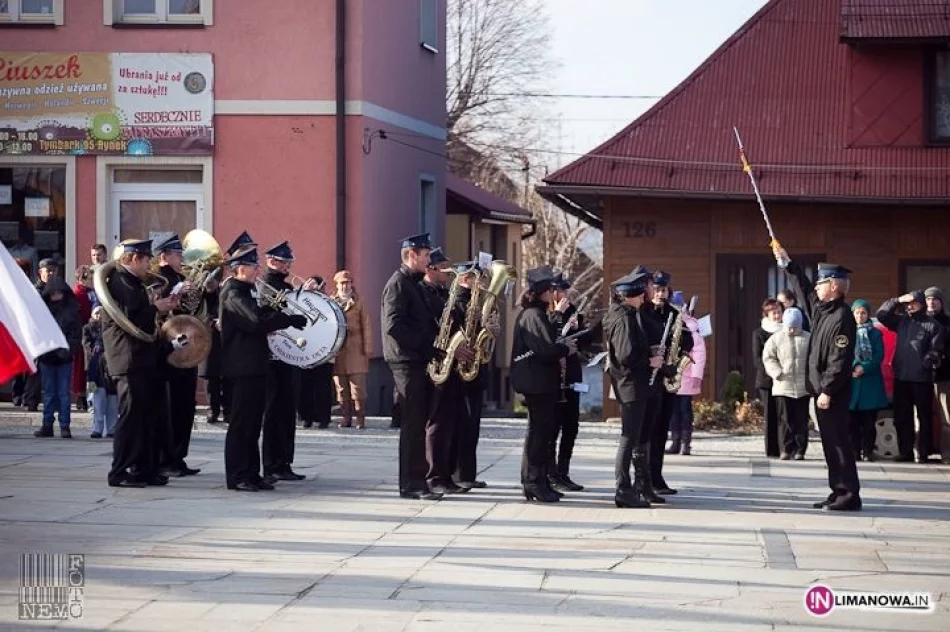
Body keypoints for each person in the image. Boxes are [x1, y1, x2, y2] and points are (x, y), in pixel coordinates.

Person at [775, 246, 861, 511]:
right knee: (829, 444)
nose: (817, 287)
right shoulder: (822, 310)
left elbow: (840, 357)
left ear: (834, 286)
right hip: (821, 389)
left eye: (822, 283)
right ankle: (837, 491)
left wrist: (827, 390)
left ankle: (848, 494)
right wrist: (788, 264)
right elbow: (802, 289)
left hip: (831, 391)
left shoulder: (842, 316)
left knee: (838, 443)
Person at [220, 244, 306, 492]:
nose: (258, 269)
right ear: (240, 269)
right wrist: (287, 319)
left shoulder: (246, 292)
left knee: (252, 423)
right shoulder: (234, 293)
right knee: (241, 424)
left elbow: (259, 314)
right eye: (253, 266)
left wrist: (279, 313)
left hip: (254, 365)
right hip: (241, 367)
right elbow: (255, 321)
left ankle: (252, 473)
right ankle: (237, 475)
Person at [102, 239, 184, 488]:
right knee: (131, 417)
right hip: (128, 359)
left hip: (143, 359)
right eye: (147, 259)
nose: (151, 264)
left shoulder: (133, 283)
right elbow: (130, 317)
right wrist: (155, 306)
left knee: (148, 417)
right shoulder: (120, 282)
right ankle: (120, 471)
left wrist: (161, 308)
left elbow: (143, 317)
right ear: (135, 258)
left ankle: (143, 468)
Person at [381, 233, 444, 500]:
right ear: (411, 255)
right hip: (406, 361)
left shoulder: (413, 284)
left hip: (417, 359)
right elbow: (394, 326)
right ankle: (411, 483)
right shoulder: (398, 284)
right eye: (426, 255)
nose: (429, 260)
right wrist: (428, 346)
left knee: (418, 423)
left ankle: (418, 479)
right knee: (412, 425)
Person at [510, 265, 577, 503]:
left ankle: (540, 480)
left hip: (541, 380)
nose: (555, 294)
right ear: (544, 292)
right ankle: (532, 481)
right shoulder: (533, 315)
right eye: (552, 290)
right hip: (536, 382)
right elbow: (547, 348)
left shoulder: (537, 314)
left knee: (543, 432)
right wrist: (565, 347)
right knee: (538, 434)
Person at [603, 268, 660, 508]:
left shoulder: (618, 314)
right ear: (630, 296)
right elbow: (626, 355)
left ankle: (628, 488)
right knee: (628, 439)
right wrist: (650, 360)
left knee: (631, 437)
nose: (642, 299)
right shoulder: (625, 317)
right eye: (639, 295)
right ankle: (623, 489)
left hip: (629, 384)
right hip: (631, 384)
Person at [261, 241, 315, 481]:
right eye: (284, 263)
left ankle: (284, 462)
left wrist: (304, 293)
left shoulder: (283, 286)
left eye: (289, 263)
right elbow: (274, 313)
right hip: (272, 357)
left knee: (286, 410)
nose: (288, 267)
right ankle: (272, 463)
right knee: (274, 411)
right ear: (271, 261)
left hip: (288, 354)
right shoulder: (265, 286)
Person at [641, 270, 693, 497]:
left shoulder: (675, 314)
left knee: (662, 429)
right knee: (648, 431)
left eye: (664, 290)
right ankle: (644, 478)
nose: (661, 294)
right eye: (657, 290)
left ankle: (657, 476)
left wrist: (678, 360)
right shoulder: (642, 313)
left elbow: (688, 341)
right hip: (649, 378)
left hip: (668, 379)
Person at [876, 290, 945, 463]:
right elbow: (881, 315)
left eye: (913, 303)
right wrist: (897, 299)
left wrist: (928, 360)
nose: (910, 306)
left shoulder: (933, 325)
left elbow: (936, 349)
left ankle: (923, 453)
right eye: (908, 304)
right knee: (902, 417)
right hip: (902, 377)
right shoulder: (902, 321)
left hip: (922, 379)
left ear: (921, 304)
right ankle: (905, 452)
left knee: (924, 417)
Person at [153, 233, 201, 477]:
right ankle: (166, 458)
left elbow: (194, 311)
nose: (182, 258)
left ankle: (179, 456)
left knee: (185, 405)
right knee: (170, 406)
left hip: (186, 348)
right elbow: (154, 312)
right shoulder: (156, 280)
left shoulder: (182, 278)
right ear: (164, 256)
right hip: (168, 351)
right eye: (177, 254)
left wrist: (203, 292)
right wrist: (174, 292)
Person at [546, 272, 595, 492]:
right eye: (560, 290)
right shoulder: (546, 312)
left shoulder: (573, 310)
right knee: (552, 427)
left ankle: (563, 471)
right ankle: (550, 472)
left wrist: (578, 329)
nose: (564, 295)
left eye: (565, 290)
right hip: (553, 375)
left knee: (571, 426)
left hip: (572, 373)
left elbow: (585, 340)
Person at [451, 262, 497, 491]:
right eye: (477, 278)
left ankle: (468, 472)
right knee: (464, 423)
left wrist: (489, 327)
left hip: (475, 368)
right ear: (464, 279)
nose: (483, 282)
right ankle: (460, 473)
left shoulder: (475, 301)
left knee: (473, 424)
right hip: (461, 369)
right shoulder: (458, 301)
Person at [33, 277, 82, 439]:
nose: (55, 296)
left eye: (58, 293)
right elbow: (39, 333)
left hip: (63, 358)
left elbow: (75, 335)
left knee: (63, 394)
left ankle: (64, 426)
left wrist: (66, 351)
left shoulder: (72, 311)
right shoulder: (43, 311)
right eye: (52, 293)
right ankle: (47, 425)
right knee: (49, 393)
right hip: (48, 357)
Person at [762, 308, 811, 460]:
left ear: (800, 325)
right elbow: (768, 358)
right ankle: (786, 449)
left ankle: (800, 450)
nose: (791, 329)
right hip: (783, 385)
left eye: (794, 327)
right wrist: (777, 373)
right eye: (789, 326)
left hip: (803, 387)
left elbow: (815, 359)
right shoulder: (776, 339)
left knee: (801, 419)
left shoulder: (809, 338)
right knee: (785, 419)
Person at [331, 270, 373, 430]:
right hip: (338, 349)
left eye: (348, 282)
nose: (345, 286)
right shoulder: (332, 301)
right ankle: (345, 417)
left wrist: (368, 348)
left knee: (358, 388)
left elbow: (367, 325)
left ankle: (360, 418)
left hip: (356, 348)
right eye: (342, 283)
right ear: (337, 284)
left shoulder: (359, 301)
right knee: (341, 388)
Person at [666, 292, 706, 456]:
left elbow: (699, 353)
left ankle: (685, 443)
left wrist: (697, 375)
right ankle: (675, 441)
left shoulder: (691, 326)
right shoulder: (668, 324)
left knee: (684, 410)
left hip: (687, 375)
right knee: (672, 411)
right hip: (671, 376)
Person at [848, 299, 888, 462]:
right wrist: (852, 366)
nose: (860, 316)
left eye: (863, 312)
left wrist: (863, 367)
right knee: (852, 423)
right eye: (857, 312)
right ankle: (854, 451)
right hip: (852, 382)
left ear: (868, 314)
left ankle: (868, 451)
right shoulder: (846, 331)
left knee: (869, 422)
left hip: (870, 382)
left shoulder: (876, 333)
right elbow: (841, 354)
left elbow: (879, 355)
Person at [295, 275, 334, 429]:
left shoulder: (328, 302)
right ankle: (306, 417)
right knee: (305, 385)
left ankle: (323, 418)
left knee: (323, 386)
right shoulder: (303, 301)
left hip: (324, 349)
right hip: (305, 349)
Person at [754, 298, 783, 458]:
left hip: (784, 379)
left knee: (782, 415)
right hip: (767, 380)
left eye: (779, 312)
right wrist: (774, 372)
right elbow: (757, 358)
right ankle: (771, 449)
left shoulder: (787, 330)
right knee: (770, 414)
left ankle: (783, 446)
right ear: (767, 314)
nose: (778, 315)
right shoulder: (759, 333)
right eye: (774, 313)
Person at [924, 287, 950, 464]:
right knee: (921, 416)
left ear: (941, 302)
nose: (932, 302)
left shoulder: (948, 323)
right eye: (928, 299)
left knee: (946, 417)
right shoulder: (919, 322)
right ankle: (920, 453)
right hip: (921, 377)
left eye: (935, 299)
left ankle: (947, 454)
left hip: (943, 376)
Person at [83, 306, 118, 439]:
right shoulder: (97, 349)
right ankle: (97, 429)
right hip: (98, 379)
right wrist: (91, 383)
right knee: (98, 405)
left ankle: (111, 429)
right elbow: (92, 366)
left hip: (112, 378)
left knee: (112, 407)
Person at [71, 266, 94, 412]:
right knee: (81, 367)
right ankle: (81, 396)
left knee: (92, 368)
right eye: (89, 278)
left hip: (93, 334)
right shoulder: (77, 294)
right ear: (82, 278)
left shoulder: (92, 293)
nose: (92, 280)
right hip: (82, 334)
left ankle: (90, 394)